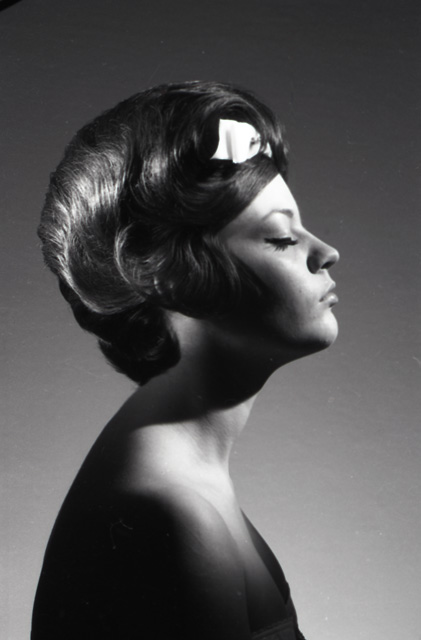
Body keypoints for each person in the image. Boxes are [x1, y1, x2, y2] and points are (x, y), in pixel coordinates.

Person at [32, 81, 339, 640]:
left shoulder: (180, 477)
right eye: (279, 238)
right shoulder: (171, 512)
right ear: (171, 276)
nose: (325, 252)